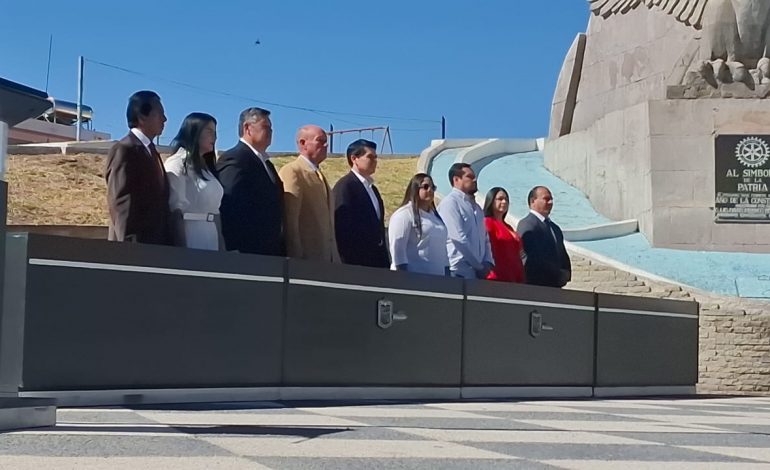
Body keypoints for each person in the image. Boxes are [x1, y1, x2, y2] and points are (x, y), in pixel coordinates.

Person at [216, 107, 285, 256]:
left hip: (270, 251)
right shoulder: (236, 159)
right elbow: (229, 205)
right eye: (265, 127)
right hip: (247, 251)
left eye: (271, 128)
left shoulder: (267, 164)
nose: (270, 132)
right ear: (247, 128)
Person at [105, 90, 170, 244]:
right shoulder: (124, 150)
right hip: (137, 248)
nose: (165, 119)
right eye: (160, 113)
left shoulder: (152, 151)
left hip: (157, 247)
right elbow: (122, 205)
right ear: (142, 116)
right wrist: (130, 251)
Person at [278, 125, 339, 262]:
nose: (326, 145)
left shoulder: (321, 176)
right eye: (320, 140)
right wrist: (296, 257)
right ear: (303, 143)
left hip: (329, 262)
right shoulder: (293, 172)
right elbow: (290, 220)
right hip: (307, 262)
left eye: (326, 141)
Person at [164, 112, 223, 251]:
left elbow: (216, 213)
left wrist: (222, 248)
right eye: (209, 131)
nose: (214, 137)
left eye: (215, 132)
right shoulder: (177, 163)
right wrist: (182, 251)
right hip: (191, 235)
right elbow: (175, 210)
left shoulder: (207, 169)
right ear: (194, 132)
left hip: (211, 235)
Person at [332, 139, 389, 268]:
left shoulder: (372, 189)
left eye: (375, 157)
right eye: (369, 157)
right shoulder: (345, 187)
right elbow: (341, 228)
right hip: (356, 263)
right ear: (354, 158)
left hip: (376, 263)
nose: (374, 161)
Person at [436, 163, 494, 279]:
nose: (475, 179)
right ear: (456, 179)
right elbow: (458, 238)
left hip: (479, 273)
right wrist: (478, 266)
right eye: (469, 176)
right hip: (459, 272)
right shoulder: (450, 203)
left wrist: (488, 262)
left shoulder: (476, 208)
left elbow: (485, 238)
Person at [388, 174, 449, 276]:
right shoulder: (404, 214)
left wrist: (447, 273)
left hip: (438, 279)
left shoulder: (436, 217)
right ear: (415, 189)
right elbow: (398, 249)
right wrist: (403, 275)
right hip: (414, 279)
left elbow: (443, 250)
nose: (430, 190)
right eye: (425, 187)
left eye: (433, 187)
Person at [517, 185, 572, 288]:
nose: (550, 202)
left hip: (555, 287)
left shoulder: (555, 228)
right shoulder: (527, 224)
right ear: (533, 201)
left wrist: (566, 273)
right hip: (537, 286)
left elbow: (562, 254)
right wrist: (555, 274)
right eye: (546, 199)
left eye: (551, 199)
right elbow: (530, 257)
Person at [483, 187, 525, 283]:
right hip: (499, 276)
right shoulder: (488, 222)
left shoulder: (509, 227)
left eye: (506, 199)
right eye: (500, 199)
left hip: (515, 275)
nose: (504, 202)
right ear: (491, 201)